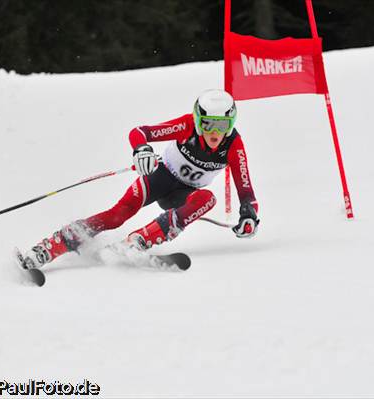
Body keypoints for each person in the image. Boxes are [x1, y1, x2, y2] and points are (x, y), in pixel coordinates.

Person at [21, 89, 260, 269]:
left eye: (222, 125)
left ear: (231, 124)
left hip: (183, 196)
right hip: (160, 177)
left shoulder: (233, 145)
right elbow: (139, 133)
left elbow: (245, 187)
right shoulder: (186, 126)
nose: (215, 133)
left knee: (207, 199)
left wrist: (249, 215)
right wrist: (141, 150)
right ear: (198, 121)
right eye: (208, 124)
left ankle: (138, 241)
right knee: (117, 215)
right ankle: (52, 246)